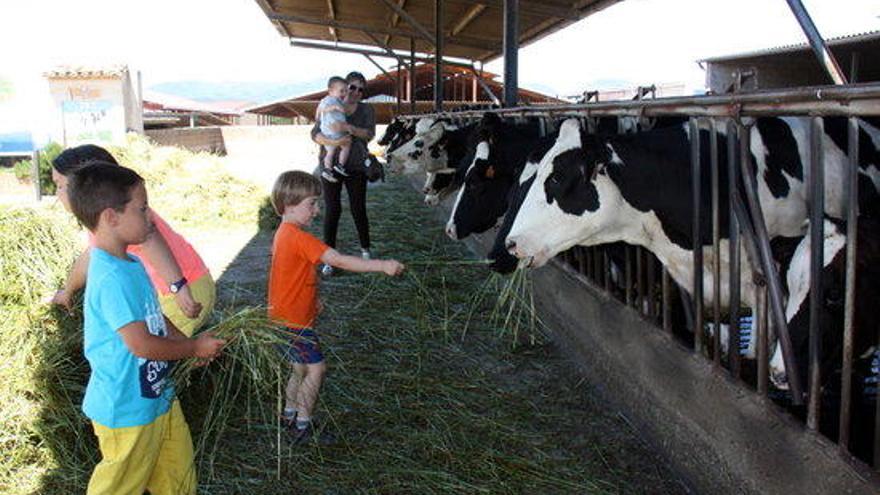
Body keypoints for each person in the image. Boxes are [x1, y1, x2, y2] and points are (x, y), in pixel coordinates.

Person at [67, 162, 225, 495]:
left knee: (176, 473)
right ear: (111, 217)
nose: (150, 217)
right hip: (125, 407)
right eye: (142, 209)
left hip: (157, 395)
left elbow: (154, 317)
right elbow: (140, 344)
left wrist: (185, 343)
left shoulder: (133, 262)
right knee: (121, 484)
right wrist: (193, 349)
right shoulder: (110, 276)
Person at [268, 170, 404, 444]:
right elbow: (338, 260)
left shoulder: (283, 233)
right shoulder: (299, 237)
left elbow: (289, 273)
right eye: (311, 204)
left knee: (298, 367)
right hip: (295, 321)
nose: (317, 210)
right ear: (289, 206)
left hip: (282, 316)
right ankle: (303, 427)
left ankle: (289, 414)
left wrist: (311, 295)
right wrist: (382, 266)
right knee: (316, 369)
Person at [50, 144, 215, 337]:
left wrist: (178, 287)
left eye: (60, 185)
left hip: (179, 297)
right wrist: (67, 291)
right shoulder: (116, 210)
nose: (57, 194)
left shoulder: (119, 216)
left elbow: (150, 238)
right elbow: (90, 257)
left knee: (151, 350)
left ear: (85, 187)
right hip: (195, 283)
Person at [311, 71, 376, 276]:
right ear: (345, 87)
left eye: (360, 89)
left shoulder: (366, 110)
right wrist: (335, 142)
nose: (356, 92)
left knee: (358, 208)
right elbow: (315, 133)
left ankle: (365, 251)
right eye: (353, 87)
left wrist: (347, 127)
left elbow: (369, 134)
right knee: (333, 209)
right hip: (330, 166)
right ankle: (329, 258)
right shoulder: (329, 103)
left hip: (356, 166)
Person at [316, 76, 352, 183]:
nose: (344, 93)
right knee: (339, 148)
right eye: (341, 91)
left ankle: (334, 167)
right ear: (330, 91)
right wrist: (334, 108)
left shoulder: (337, 101)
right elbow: (322, 109)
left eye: (346, 91)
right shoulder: (329, 100)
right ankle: (334, 167)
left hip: (334, 132)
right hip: (332, 132)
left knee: (337, 149)